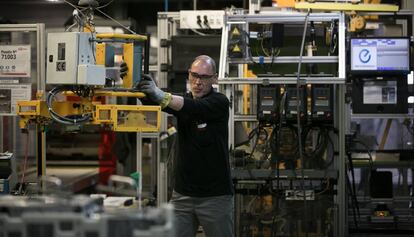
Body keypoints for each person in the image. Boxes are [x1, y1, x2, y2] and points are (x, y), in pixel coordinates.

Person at [138, 55, 234, 237]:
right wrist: (135, 81)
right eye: (194, 75)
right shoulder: (183, 100)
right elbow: (152, 101)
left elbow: (192, 108)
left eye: (204, 77)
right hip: (182, 195)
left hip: (215, 196)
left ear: (214, 78)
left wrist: (159, 93)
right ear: (188, 75)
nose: (198, 82)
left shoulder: (219, 102)